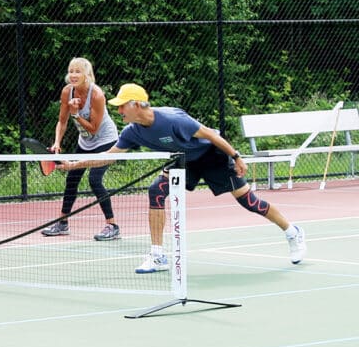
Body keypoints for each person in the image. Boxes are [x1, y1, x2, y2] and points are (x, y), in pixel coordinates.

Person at [59, 83, 306, 273]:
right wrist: (74, 164)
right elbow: (109, 156)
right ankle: (157, 255)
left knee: (249, 202)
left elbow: (210, 135)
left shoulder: (173, 120)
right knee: (156, 191)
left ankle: (292, 231)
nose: (119, 110)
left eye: (123, 105)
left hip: (211, 155)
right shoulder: (131, 132)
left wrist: (237, 156)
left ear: (137, 105)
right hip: (184, 160)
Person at [42, 57, 121, 241]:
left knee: (95, 180)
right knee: (72, 179)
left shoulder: (97, 96)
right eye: (71, 71)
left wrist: (76, 114)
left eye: (78, 71)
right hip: (85, 143)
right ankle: (62, 223)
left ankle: (112, 225)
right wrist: (57, 143)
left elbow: (93, 129)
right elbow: (62, 121)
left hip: (105, 141)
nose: (74, 75)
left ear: (87, 74)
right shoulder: (67, 92)